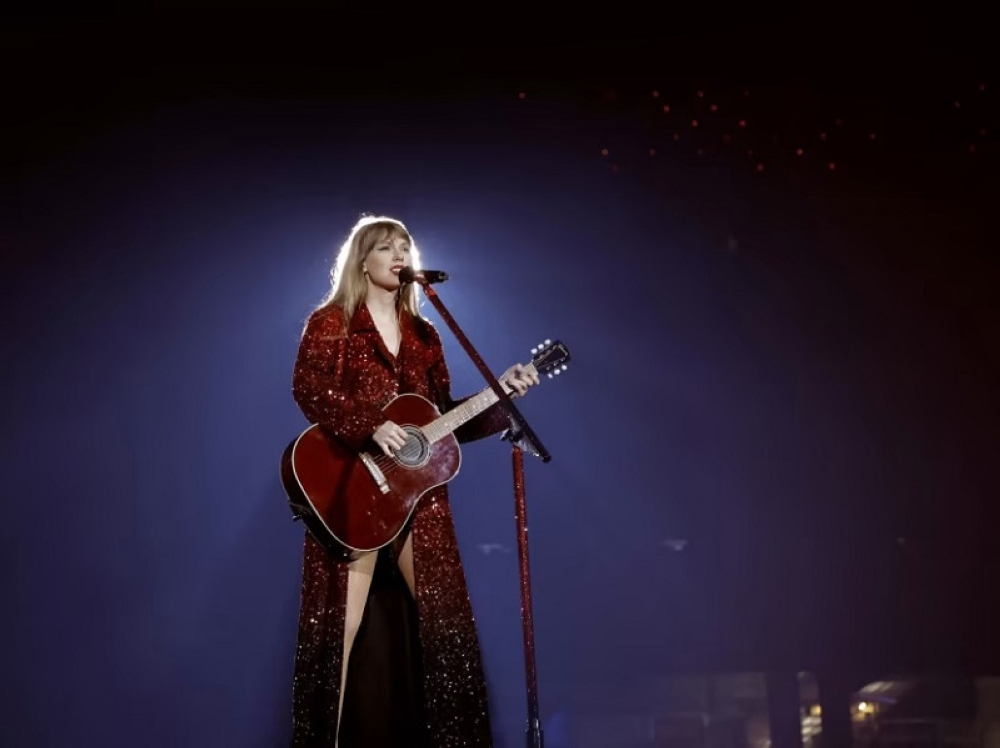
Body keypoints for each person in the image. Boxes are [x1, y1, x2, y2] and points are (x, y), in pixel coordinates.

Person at [289, 214, 540, 747]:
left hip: (417, 497)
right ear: (362, 259)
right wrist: (369, 424)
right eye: (386, 247)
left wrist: (502, 398)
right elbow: (307, 387)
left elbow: (441, 418)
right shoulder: (333, 321)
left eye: (405, 246)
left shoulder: (425, 335)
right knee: (339, 632)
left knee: (449, 628)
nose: (400, 254)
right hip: (350, 486)